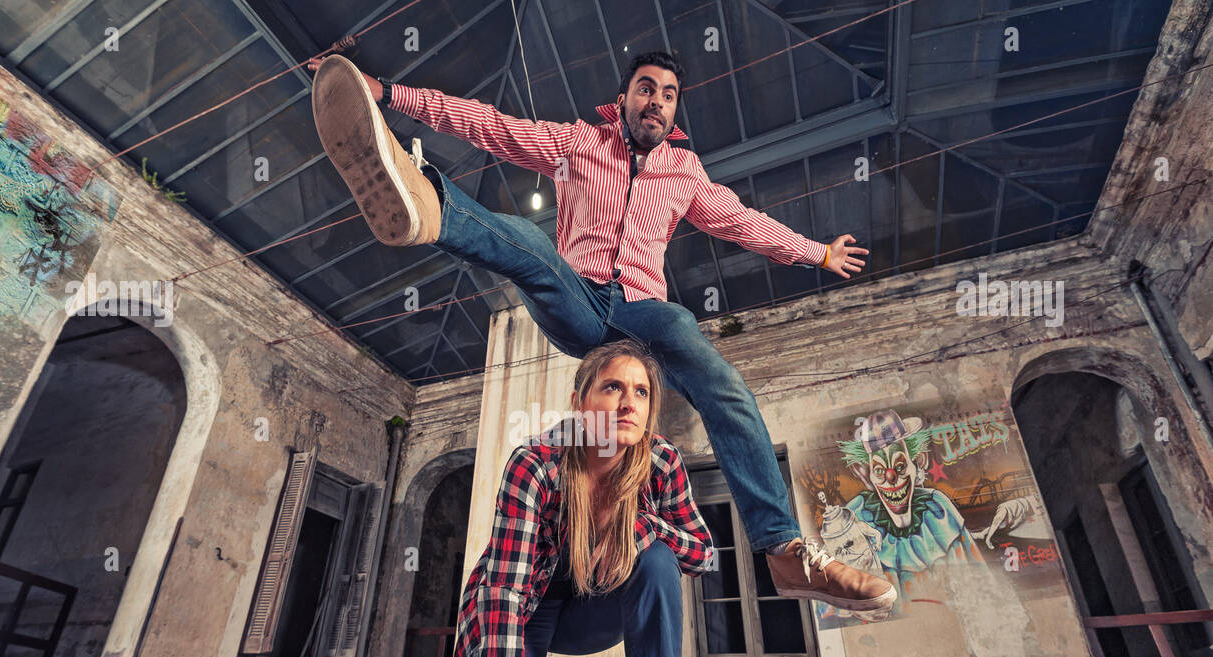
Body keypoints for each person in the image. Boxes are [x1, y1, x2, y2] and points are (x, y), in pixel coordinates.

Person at [308, 46, 897, 618]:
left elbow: (742, 224)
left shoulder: (685, 172)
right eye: (647, 89)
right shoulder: (577, 143)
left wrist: (815, 252)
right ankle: (430, 202)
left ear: (675, 112)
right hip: (579, 302)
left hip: (643, 317)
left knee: (720, 378)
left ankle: (784, 551)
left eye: (669, 96)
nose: (657, 103)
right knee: (534, 248)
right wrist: (386, 93)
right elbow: (491, 126)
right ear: (623, 99)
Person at [438, 339, 732, 657]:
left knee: (659, 561)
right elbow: (504, 600)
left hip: (596, 611)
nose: (627, 402)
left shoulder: (660, 463)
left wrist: (643, 526)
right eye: (612, 387)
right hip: (525, 612)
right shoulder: (536, 465)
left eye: (641, 391)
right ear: (580, 403)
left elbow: (704, 554)